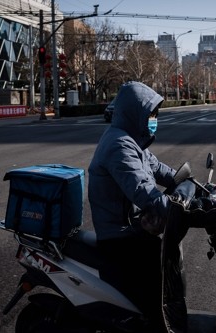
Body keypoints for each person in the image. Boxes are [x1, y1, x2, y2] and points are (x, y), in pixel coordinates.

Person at [88, 81, 177, 332]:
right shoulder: (119, 145)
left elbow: (160, 169)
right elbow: (142, 191)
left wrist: (192, 185)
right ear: (133, 112)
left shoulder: (132, 141)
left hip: (131, 229)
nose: (154, 118)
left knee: (163, 261)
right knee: (153, 290)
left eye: (156, 114)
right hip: (119, 236)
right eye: (151, 113)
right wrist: (173, 207)